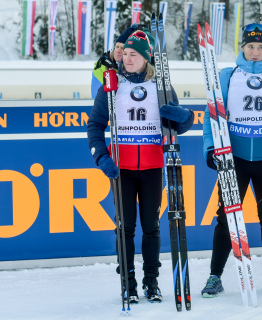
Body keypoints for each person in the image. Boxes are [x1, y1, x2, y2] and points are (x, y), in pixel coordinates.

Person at [87, 29, 194, 303]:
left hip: (151, 169)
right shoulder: (111, 85)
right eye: (126, 54)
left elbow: (179, 125)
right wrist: (102, 157)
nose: (128, 58)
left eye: (135, 55)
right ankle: (128, 283)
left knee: (151, 228)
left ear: (146, 58)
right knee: (124, 228)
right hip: (121, 169)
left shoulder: (161, 86)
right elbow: (95, 126)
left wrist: (184, 118)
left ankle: (151, 282)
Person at [201, 23, 262, 298]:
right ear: (242, 48)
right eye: (250, 47)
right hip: (235, 158)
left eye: (260, 47)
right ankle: (214, 276)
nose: (255, 52)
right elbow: (212, 112)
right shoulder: (228, 75)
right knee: (227, 218)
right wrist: (211, 147)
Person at [90, 24, 139, 99]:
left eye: (122, 48)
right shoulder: (102, 66)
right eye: (117, 46)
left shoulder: (137, 67)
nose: (118, 51)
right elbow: (100, 99)